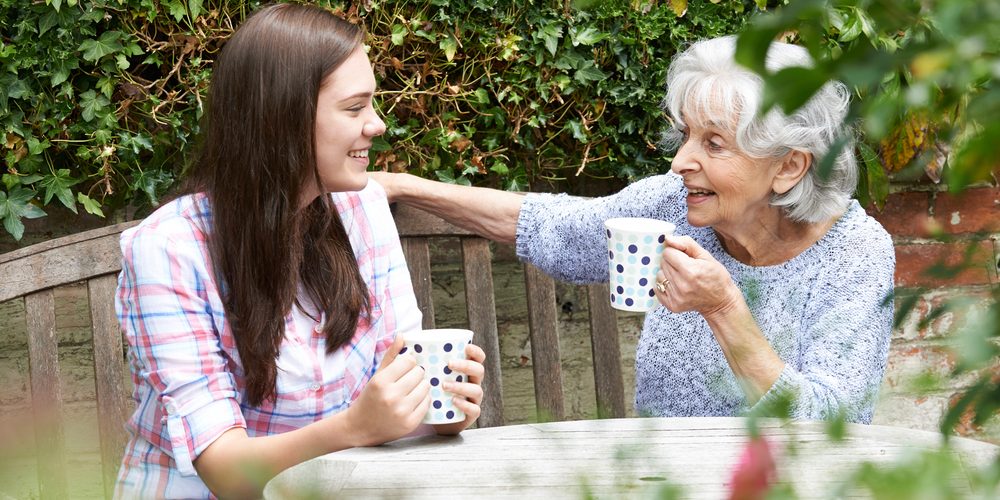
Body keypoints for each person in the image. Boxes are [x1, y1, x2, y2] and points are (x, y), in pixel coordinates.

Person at [372, 35, 894, 425]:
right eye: (687, 134)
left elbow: (834, 427)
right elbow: (551, 226)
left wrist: (724, 309)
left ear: (789, 167)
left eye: (714, 144)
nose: (680, 161)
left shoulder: (854, 254)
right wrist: (403, 186)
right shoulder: (674, 204)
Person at [113, 4, 485, 498]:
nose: (376, 125)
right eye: (354, 109)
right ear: (282, 117)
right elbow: (225, 470)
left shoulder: (361, 210)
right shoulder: (169, 250)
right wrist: (357, 427)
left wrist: (434, 406)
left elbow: (398, 377)